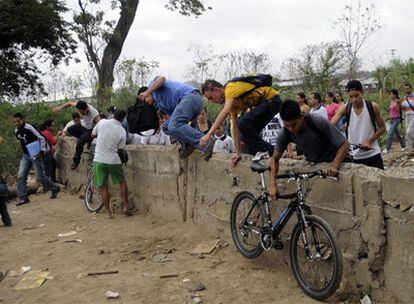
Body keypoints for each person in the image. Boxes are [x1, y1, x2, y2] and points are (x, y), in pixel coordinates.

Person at [268, 100, 350, 199]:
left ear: (301, 117)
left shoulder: (316, 122)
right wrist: (272, 184)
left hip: (332, 162)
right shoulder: (285, 132)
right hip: (313, 165)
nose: (290, 129)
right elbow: (274, 159)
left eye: (293, 124)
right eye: (286, 125)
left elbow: (344, 143)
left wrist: (335, 164)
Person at [201, 77, 282, 164]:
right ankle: (274, 152)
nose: (212, 101)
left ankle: (264, 151)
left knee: (243, 123)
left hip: (272, 99)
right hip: (266, 104)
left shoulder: (230, 88)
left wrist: (208, 134)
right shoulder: (232, 103)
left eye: (210, 98)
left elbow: (225, 112)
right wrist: (238, 152)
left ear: (216, 90)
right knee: (244, 133)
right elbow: (235, 127)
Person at [138, 76, 215, 160]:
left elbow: (162, 79)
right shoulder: (160, 104)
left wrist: (147, 92)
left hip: (191, 97)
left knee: (173, 125)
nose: (146, 102)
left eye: (144, 99)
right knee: (166, 127)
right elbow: (175, 117)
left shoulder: (152, 87)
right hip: (189, 106)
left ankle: (207, 142)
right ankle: (188, 145)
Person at [331, 80, 386, 169]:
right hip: (355, 156)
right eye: (351, 97)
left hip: (373, 154)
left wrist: (369, 141)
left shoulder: (372, 107)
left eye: (356, 95)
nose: (354, 99)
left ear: (362, 92)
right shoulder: (345, 109)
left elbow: (382, 128)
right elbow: (330, 125)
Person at [13, 113, 60, 206]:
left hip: (35, 153)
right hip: (26, 155)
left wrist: (41, 151)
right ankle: (23, 197)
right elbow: (22, 141)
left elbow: (42, 137)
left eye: (18, 121)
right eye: (14, 121)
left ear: (23, 119)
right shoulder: (16, 131)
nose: (16, 123)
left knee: (39, 176)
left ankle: (54, 188)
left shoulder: (29, 127)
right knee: (21, 176)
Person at [91, 109, 130, 218]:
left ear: (112, 115)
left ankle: (108, 213)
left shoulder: (102, 122)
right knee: (122, 182)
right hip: (113, 160)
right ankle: (126, 206)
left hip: (99, 159)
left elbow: (92, 134)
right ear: (123, 119)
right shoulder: (122, 131)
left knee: (103, 187)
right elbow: (121, 148)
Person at [53, 100, 100, 169]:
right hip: (83, 126)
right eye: (80, 112)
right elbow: (69, 103)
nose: (82, 114)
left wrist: (94, 135)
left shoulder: (94, 113)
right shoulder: (79, 104)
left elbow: (100, 125)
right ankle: (85, 139)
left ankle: (76, 161)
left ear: (86, 108)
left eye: (83, 112)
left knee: (80, 142)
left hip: (90, 130)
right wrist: (60, 107)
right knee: (70, 129)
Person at [384, 89, 406, 153]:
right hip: (392, 120)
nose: (390, 95)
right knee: (397, 134)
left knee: (390, 133)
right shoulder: (391, 101)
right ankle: (403, 146)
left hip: (397, 119)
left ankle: (387, 148)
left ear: (395, 94)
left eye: (391, 94)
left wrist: (400, 104)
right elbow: (391, 111)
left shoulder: (398, 101)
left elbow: (402, 108)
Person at [402, 83, 414, 148]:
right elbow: (404, 107)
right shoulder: (405, 97)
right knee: (409, 131)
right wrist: (403, 106)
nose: (406, 90)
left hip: (413, 115)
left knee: (409, 131)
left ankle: (412, 144)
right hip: (407, 115)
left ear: (411, 88)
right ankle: (411, 146)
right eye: (405, 89)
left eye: (407, 89)